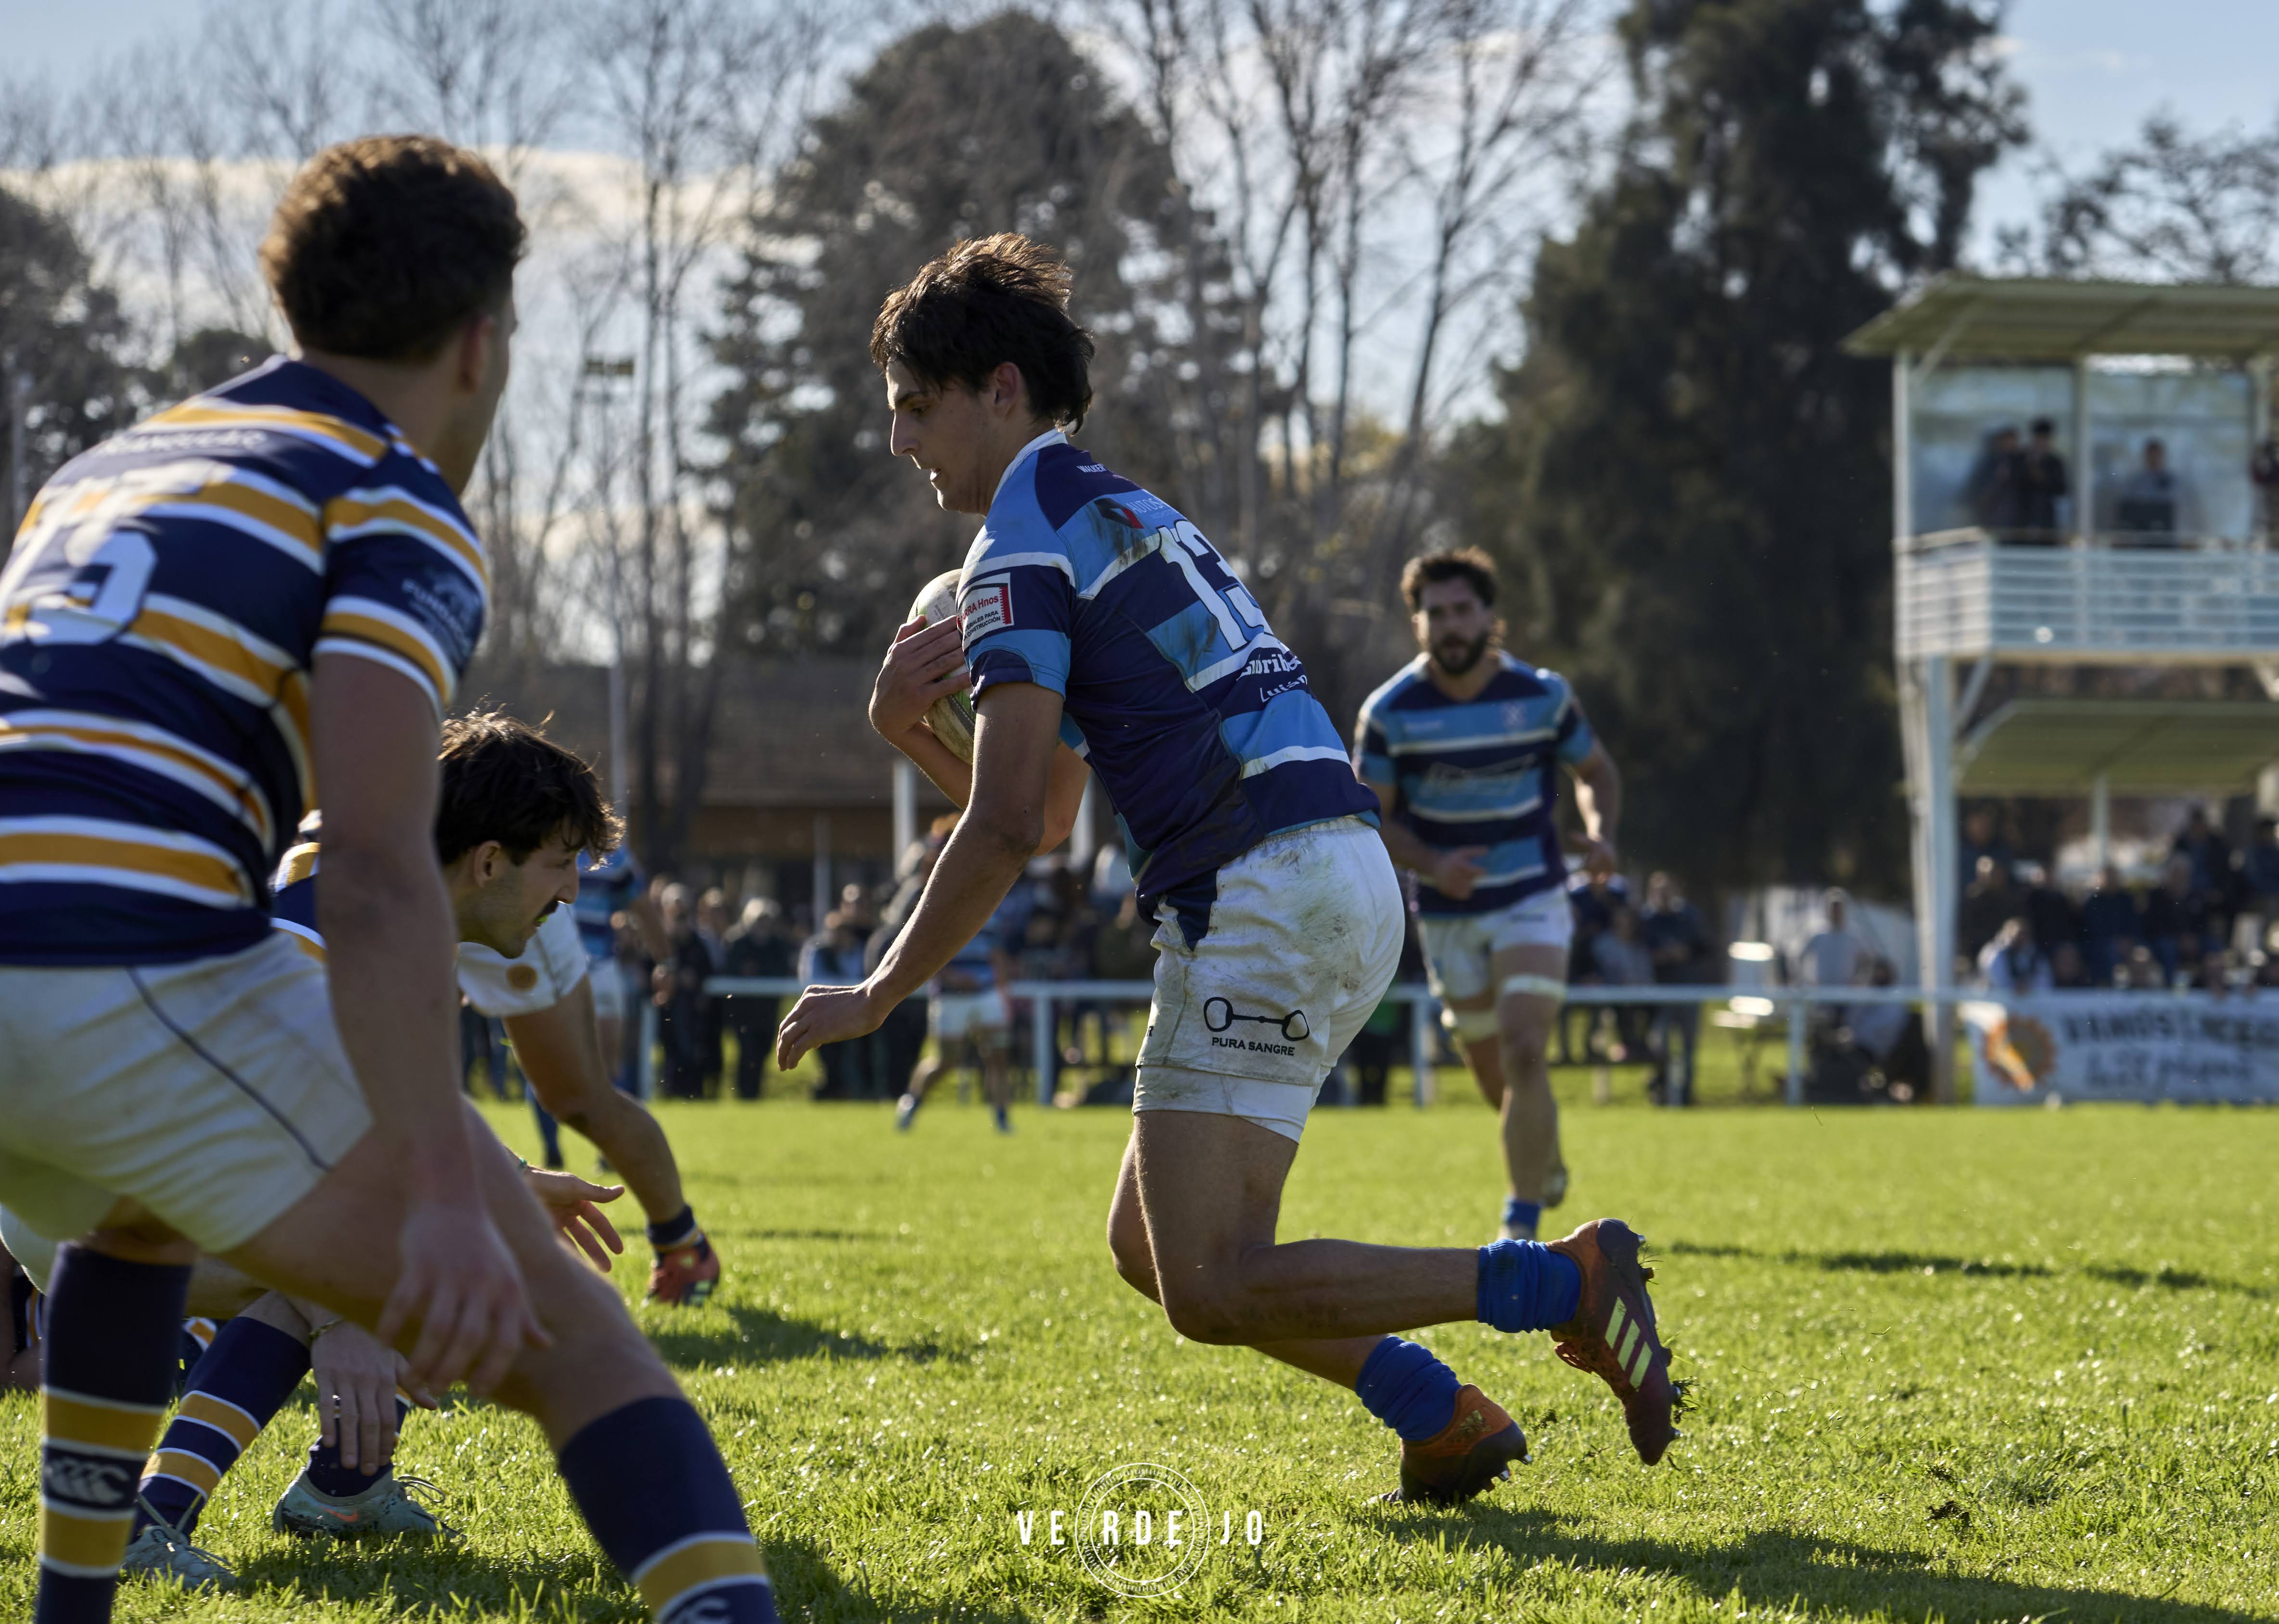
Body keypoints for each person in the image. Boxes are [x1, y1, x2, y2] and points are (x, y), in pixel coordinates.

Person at [0, 136, 774, 1623]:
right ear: (483, 342)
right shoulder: (387, 493)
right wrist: (436, 1192)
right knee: (586, 1344)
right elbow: (367, 863)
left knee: (138, 1217)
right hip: (114, 957)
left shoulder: (107, 470)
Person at [777, 233, 1681, 1504]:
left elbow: (998, 831)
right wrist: (907, 730)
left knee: (1209, 1281)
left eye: (914, 409)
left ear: (998, 390)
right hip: (1332, 873)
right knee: (1153, 1248)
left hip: (1259, 892)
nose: (897, 442)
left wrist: (873, 995)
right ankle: (1443, 1417)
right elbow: (1043, 819)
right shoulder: (1121, 510)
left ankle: (1561, 1281)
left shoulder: (1017, 546)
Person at [1353, 548, 1621, 1244]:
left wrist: (1598, 834)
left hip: (1532, 895)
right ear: (1417, 624)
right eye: (1434, 613)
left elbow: (1595, 772)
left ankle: (1521, 1221)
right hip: (1447, 913)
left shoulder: (1543, 696)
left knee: (1528, 1048)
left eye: (1462, 610)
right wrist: (1434, 862)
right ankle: (1544, 1160)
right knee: (1499, 1075)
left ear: (1490, 616)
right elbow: (1370, 816)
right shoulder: (1389, 712)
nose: (1450, 625)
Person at [895, 887, 1021, 1134]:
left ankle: (1002, 1118)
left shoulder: (990, 910)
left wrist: (1003, 989)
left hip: (986, 994)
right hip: (951, 998)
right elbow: (926, 957)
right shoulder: (939, 913)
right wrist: (953, 978)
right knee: (947, 1060)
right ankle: (913, 1101)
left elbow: (996, 953)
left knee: (997, 1056)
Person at [572, 841, 646, 1092]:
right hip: (557, 970)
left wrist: (666, 961)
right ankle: (550, 1134)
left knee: (609, 1063)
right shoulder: (540, 843)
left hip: (601, 964)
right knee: (554, 1064)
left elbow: (642, 906)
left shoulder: (615, 856)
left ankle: (613, 1124)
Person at [722, 898, 795, 1100]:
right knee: (746, 1053)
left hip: (767, 1012)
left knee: (762, 1052)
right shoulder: (737, 942)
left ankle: (754, 1094)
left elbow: (781, 970)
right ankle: (744, 1094)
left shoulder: (778, 945)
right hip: (742, 1012)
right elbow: (731, 969)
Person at [652, 883, 717, 1100]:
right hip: (664, 1016)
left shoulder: (699, 943)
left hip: (694, 1018)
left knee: (693, 1055)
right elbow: (648, 971)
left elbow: (707, 973)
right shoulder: (658, 941)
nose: (680, 919)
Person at [2080, 863, 2140, 987]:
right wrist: (2115, 941)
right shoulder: (2093, 902)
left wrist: (2129, 940)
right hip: (2101, 945)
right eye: (2108, 877)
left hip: (2128, 944)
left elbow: (2134, 924)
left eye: (2114, 877)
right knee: (2108, 951)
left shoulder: (2126, 900)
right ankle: (2107, 989)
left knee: (2142, 954)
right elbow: (2093, 929)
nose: (2111, 881)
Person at [1800, 890, 1871, 990]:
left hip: (1846, 994)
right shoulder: (1817, 934)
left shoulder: (1854, 935)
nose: (1836, 913)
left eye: (1839, 909)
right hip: (1822, 994)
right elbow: (1800, 956)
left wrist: (1859, 980)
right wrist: (1806, 980)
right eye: (1833, 909)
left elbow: (1867, 961)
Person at [2017, 417, 2069, 541]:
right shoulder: (2021, 460)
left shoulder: (2055, 462)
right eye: (2040, 438)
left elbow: (2062, 490)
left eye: (2046, 439)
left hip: (2047, 520)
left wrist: (2042, 478)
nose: (2042, 443)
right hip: (2022, 520)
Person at [2115, 437, 2178, 539]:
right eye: (2151, 455)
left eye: (2157, 455)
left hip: (2166, 535)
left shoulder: (2172, 479)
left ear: (2162, 456)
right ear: (2146, 456)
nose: (2154, 459)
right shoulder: (2136, 481)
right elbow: (2127, 505)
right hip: (2140, 534)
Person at [1977, 914, 2053, 994]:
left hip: (2030, 1003)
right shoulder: (1993, 952)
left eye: (2025, 934)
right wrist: (2013, 987)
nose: (2021, 938)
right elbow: (1994, 975)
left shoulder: (2035, 956)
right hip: (1996, 1000)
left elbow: (2045, 981)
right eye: (2018, 934)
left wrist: (2029, 988)